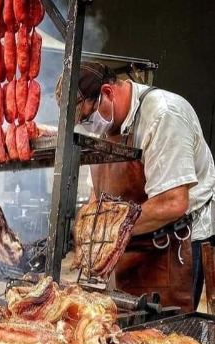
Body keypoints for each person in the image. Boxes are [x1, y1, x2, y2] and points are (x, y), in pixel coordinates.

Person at [56, 61, 215, 312]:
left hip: (173, 244)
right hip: (130, 242)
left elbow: (172, 202)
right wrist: (89, 238)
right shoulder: (104, 126)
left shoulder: (164, 115)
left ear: (107, 93)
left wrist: (106, 231)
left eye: (87, 117)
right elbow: (96, 197)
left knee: (165, 337)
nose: (87, 126)